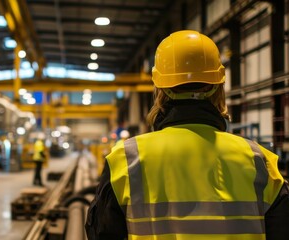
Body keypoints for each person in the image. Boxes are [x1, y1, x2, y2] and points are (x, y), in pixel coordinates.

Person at [85, 30, 289, 240]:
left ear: (159, 90)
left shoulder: (126, 160)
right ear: (218, 87)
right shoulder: (259, 161)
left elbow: (102, 233)